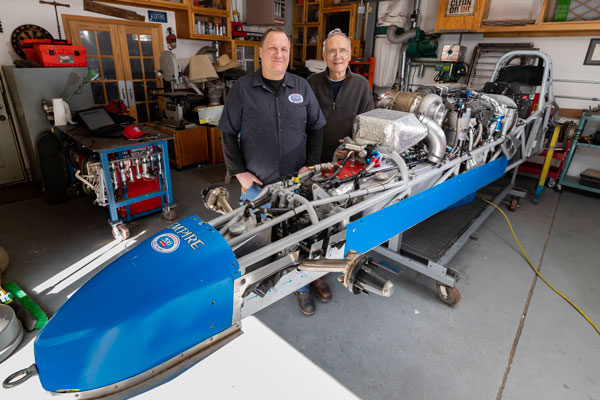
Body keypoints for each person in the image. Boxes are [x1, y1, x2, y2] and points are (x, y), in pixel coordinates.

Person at [218, 27, 327, 316]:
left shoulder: (301, 87)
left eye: (284, 49)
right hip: (257, 185)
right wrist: (238, 172)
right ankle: (250, 291)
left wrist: (311, 164)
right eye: (273, 48)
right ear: (261, 53)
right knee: (254, 240)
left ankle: (301, 287)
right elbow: (227, 133)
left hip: (296, 183)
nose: (279, 54)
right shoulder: (243, 88)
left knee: (299, 236)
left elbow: (317, 127)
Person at [307, 29, 374, 163]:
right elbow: (304, 124)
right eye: (332, 51)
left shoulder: (361, 85)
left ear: (349, 55)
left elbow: (368, 127)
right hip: (314, 160)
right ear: (324, 56)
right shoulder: (311, 83)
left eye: (342, 50)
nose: (338, 56)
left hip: (347, 161)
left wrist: (353, 149)